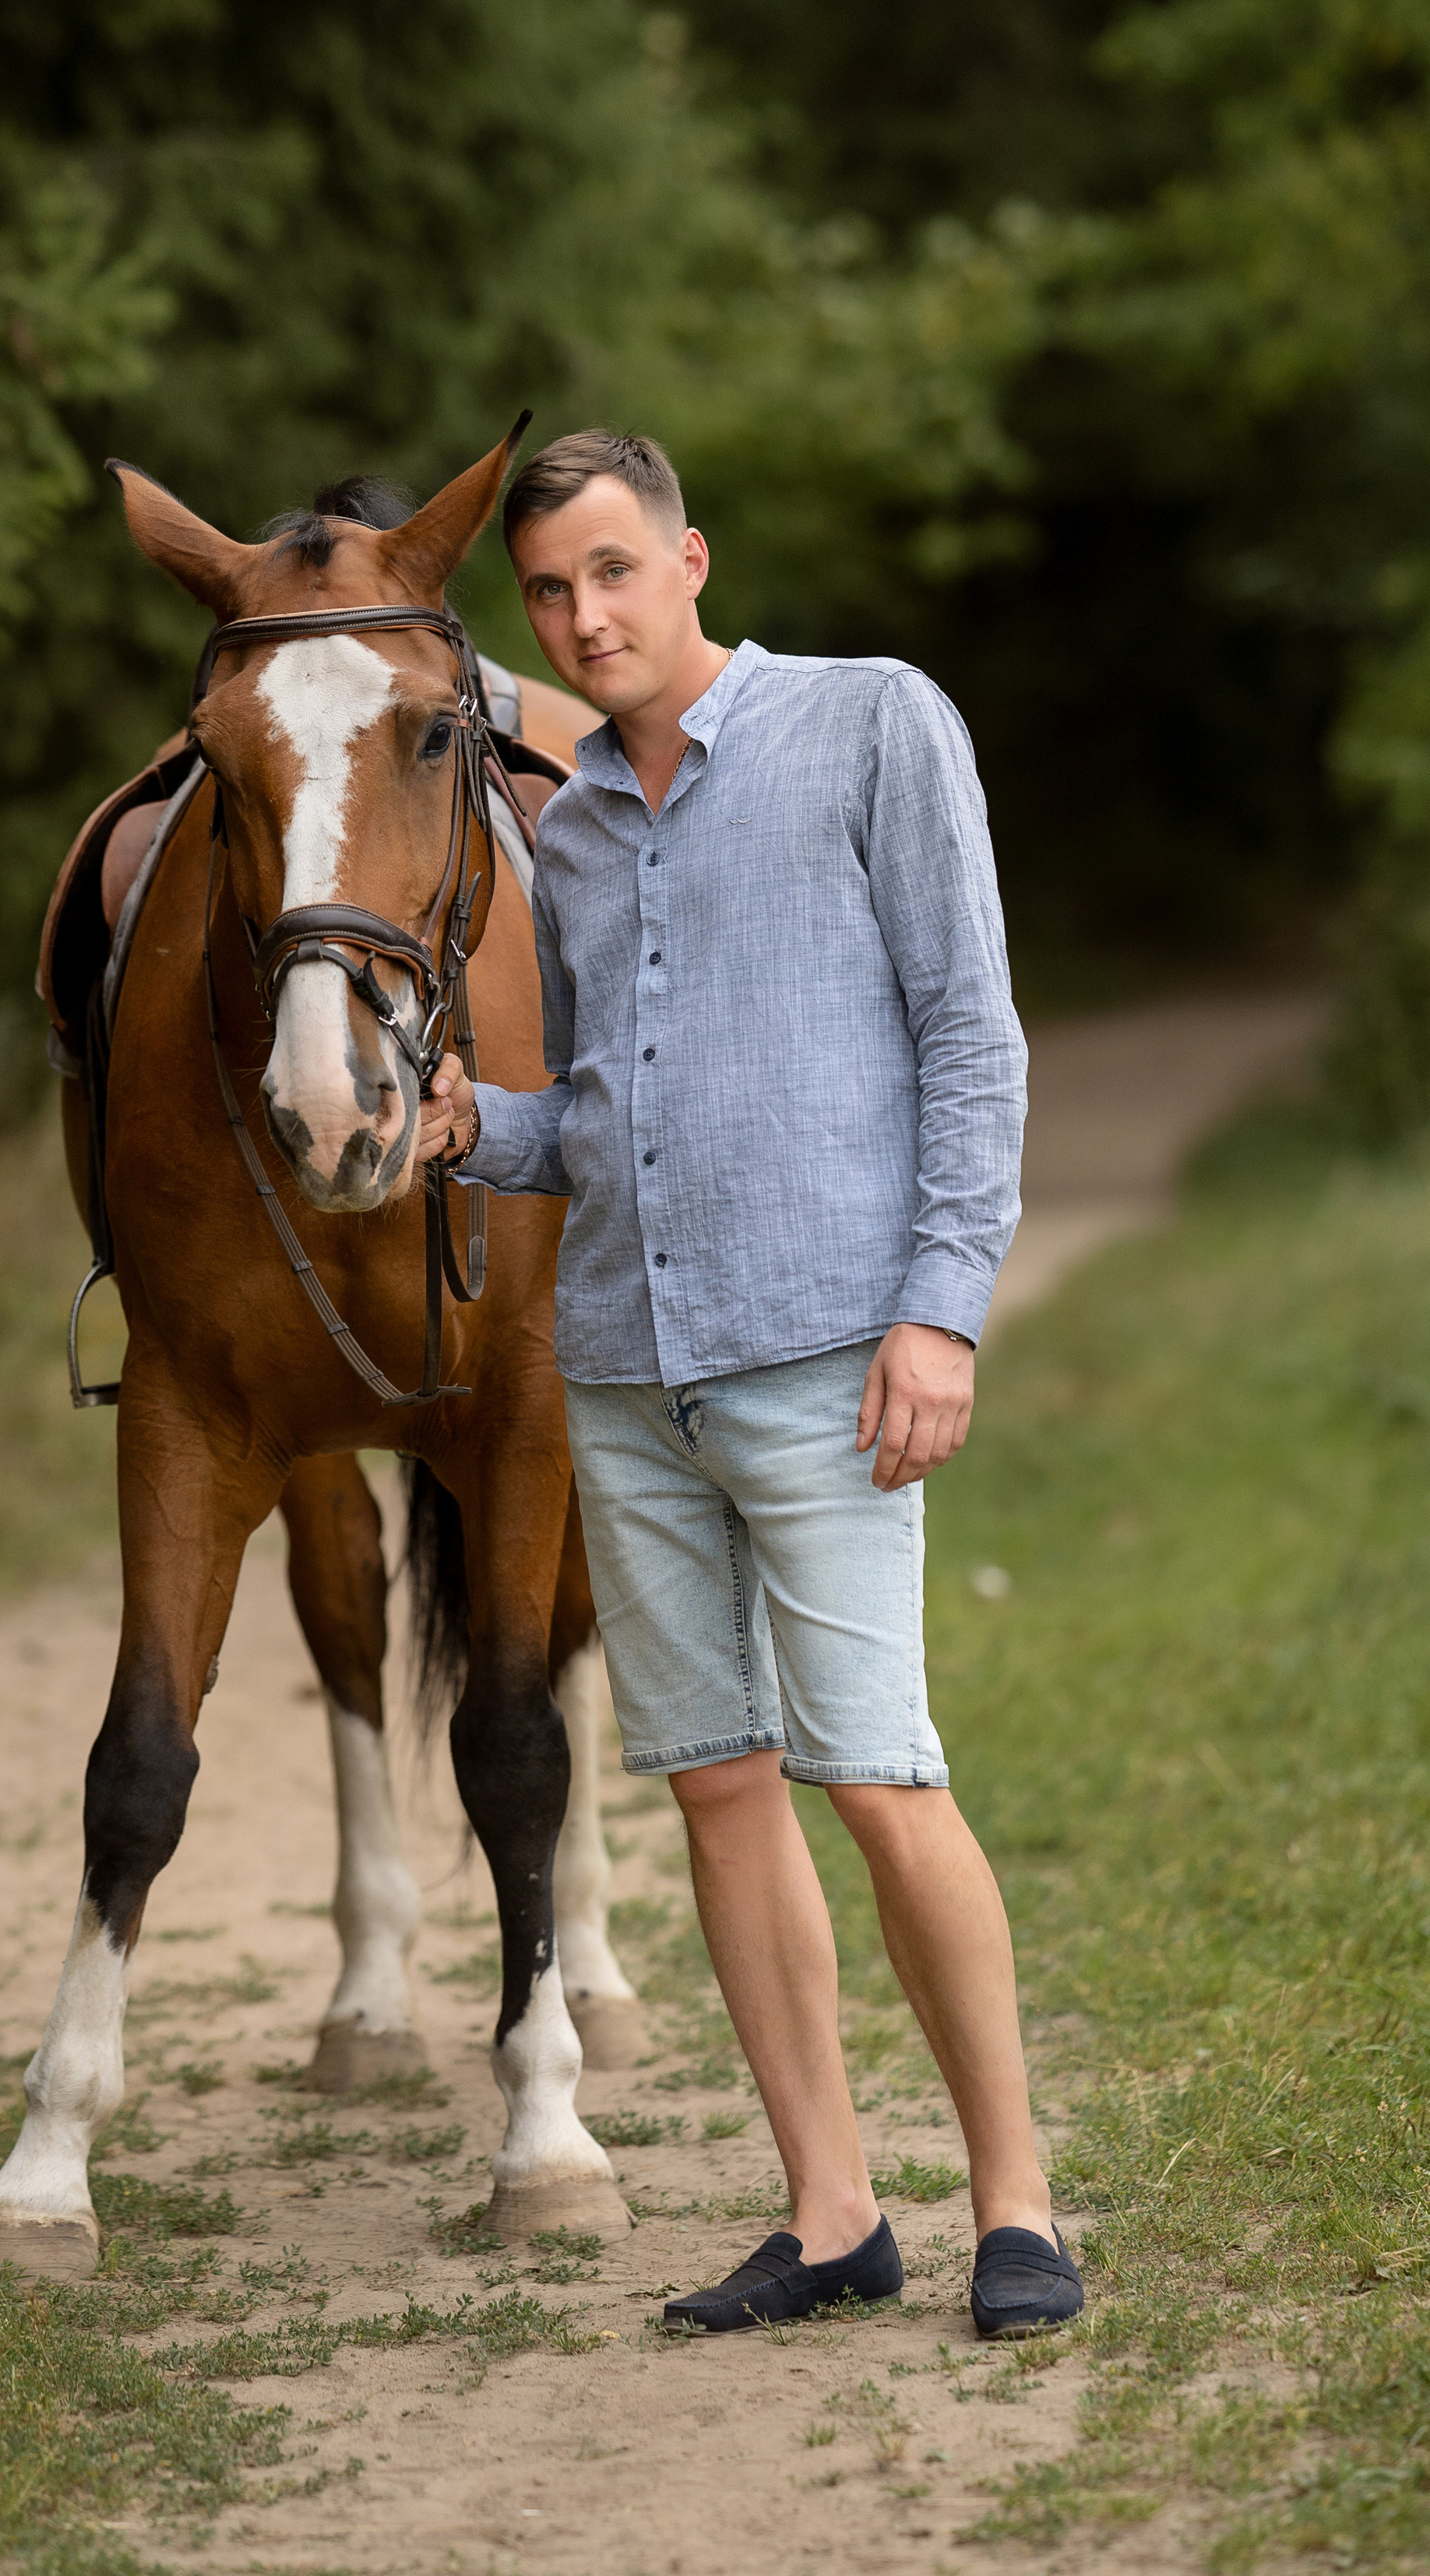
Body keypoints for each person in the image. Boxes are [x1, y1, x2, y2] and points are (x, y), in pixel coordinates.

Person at [416, 430, 1082, 2341]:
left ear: (689, 556)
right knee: (716, 1788)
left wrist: (939, 1310)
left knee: (877, 1778)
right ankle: (826, 2214)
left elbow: (970, 1034)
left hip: (825, 1363)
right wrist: (484, 1127)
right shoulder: (565, 829)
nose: (584, 616)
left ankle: (1013, 2206)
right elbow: (606, 1124)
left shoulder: (873, 726)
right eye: (548, 593)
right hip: (624, 1377)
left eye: (611, 570)